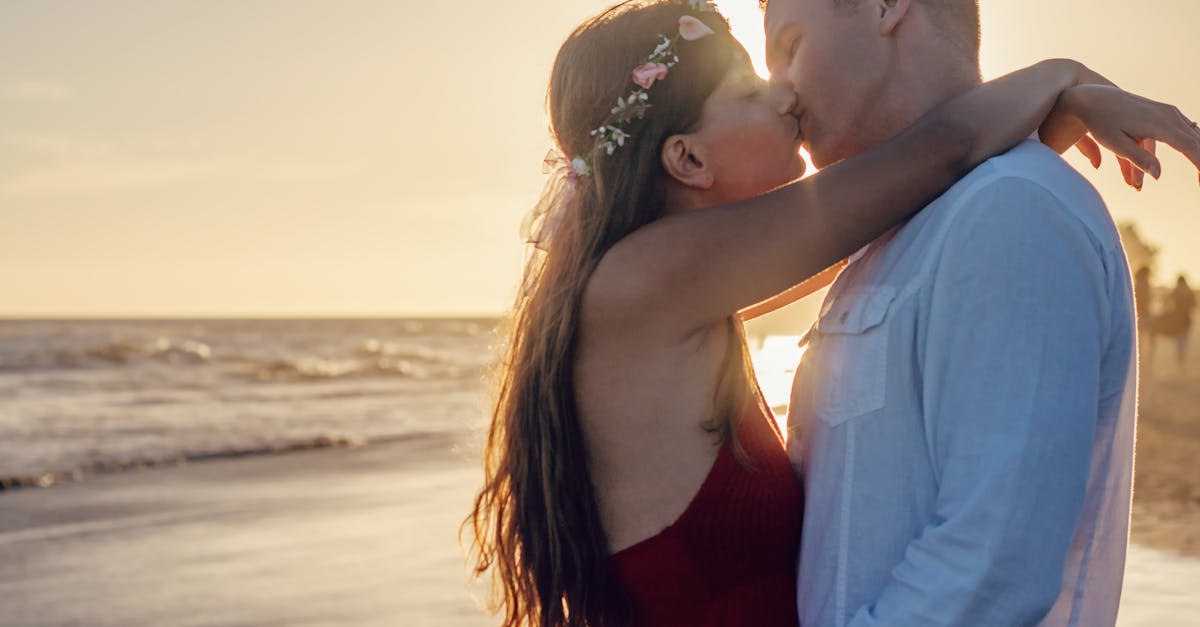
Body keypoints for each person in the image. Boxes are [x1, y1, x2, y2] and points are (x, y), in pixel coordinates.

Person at [464, 1, 1200, 625]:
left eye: (788, 48)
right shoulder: (644, 281)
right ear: (687, 159)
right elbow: (939, 151)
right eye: (753, 85)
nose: (783, 93)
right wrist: (1060, 78)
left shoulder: (668, 289)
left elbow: (904, 191)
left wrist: (1031, 124)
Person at [762, 0, 1198, 625]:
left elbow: (988, 570)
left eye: (791, 46)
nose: (779, 91)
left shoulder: (1009, 212)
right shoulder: (896, 233)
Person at [1158, 275, 1196, 374]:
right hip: (1185, 320)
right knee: (1182, 342)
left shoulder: (1177, 291)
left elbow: (1166, 300)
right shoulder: (1189, 292)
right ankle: (1181, 365)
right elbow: (1194, 305)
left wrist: (1166, 311)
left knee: (1179, 343)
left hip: (1178, 320)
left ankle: (1180, 365)